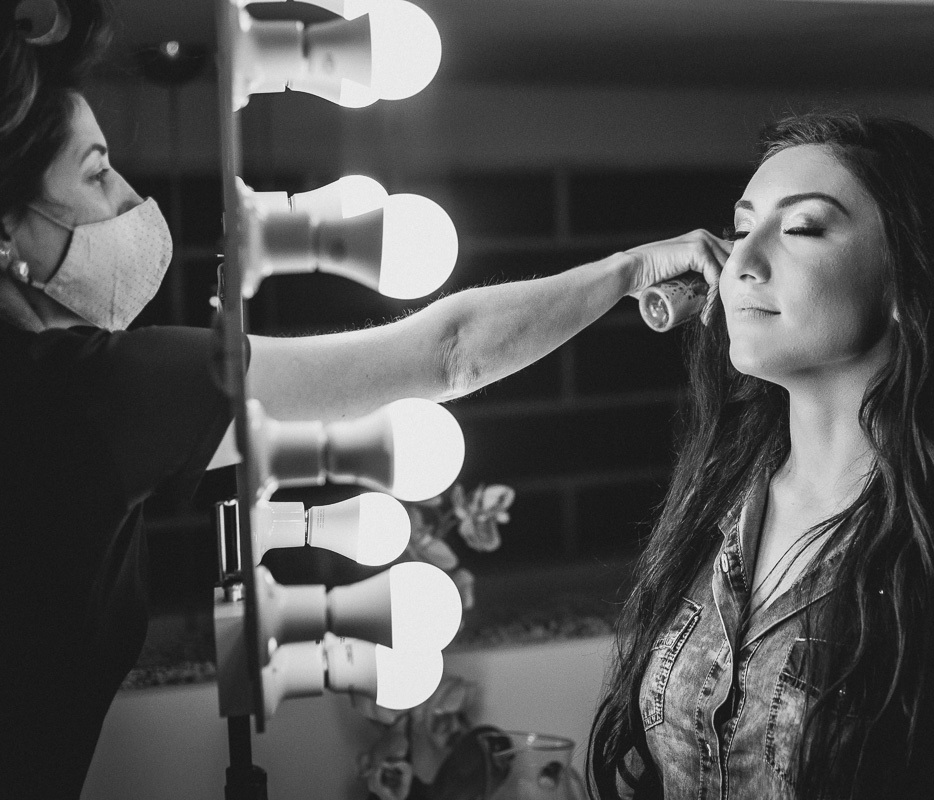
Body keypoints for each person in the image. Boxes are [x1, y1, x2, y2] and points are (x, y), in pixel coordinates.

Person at [0, 2, 729, 797]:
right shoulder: (87, 390)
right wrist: (627, 271)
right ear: (7, 233)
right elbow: (449, 353)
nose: (130, 200)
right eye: (96, 173)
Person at [588, 112, 934, 800]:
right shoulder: (711, 511)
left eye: (801, 228)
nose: (742, 261)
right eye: (741, 229)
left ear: (907, 283)